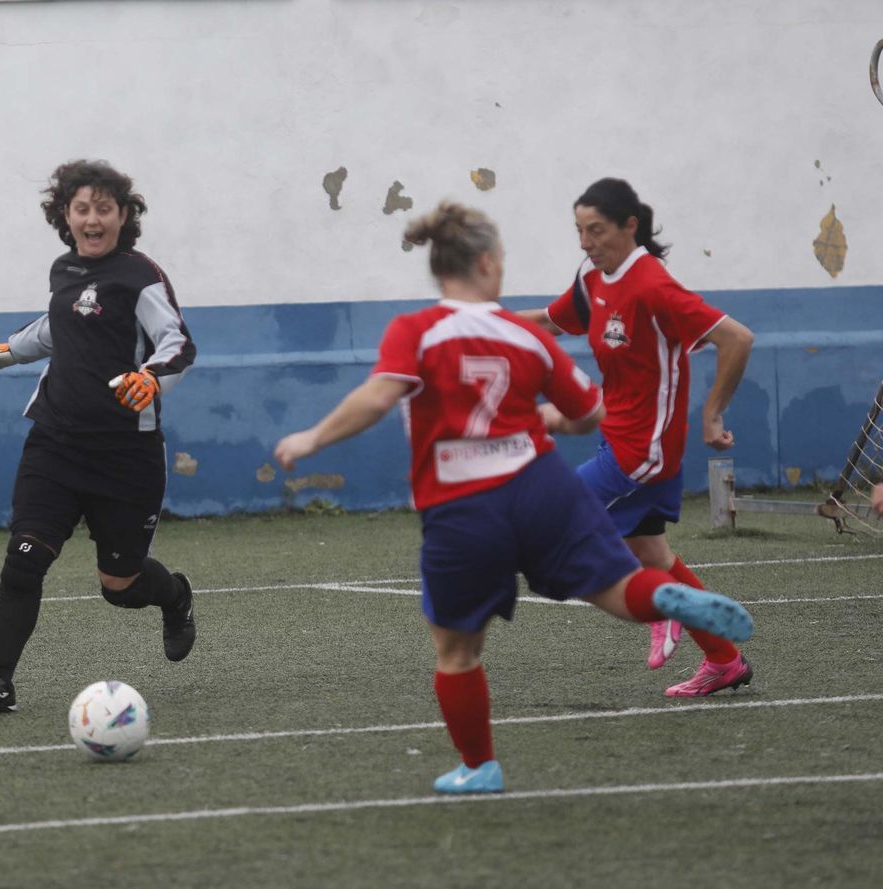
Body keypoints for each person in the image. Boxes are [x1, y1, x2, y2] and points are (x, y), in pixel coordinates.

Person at [273, 202, 753, 793]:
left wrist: (313, 436)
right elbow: (590, 414)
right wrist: (546, 417)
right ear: (486, 263)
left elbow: (377, 397)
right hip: (539, 485)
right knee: (619, 587)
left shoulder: (416, 330)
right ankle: (673, 600)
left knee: (456, 648)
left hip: (461, 504)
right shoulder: (524, 336)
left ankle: (480, 767)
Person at [0, 160, 198, 715]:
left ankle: (175, 595)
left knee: (120, 584)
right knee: (24, 559)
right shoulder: (63, 270)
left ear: (123, 215)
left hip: (126, 457)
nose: (92, 219)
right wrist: (10, 350)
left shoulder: (142, 277)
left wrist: (150, 379)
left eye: (103, 209)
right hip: (56, 443)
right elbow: (56, 325)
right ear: (65, 215)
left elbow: (178, 344)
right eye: (81, 208)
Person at [519, 178, 756, 696]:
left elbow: (736, 338)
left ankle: (656, 604)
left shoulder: (652, 286)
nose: (585, 242)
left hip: (644, 451)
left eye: (596, 230)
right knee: (650, 551)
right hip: (617, 439)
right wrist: (480, 324)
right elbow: (551, 321)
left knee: (549, 520)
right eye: (579, 230)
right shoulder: (593, 275)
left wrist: (713, 414)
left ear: (630, 226)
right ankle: (724, 659)